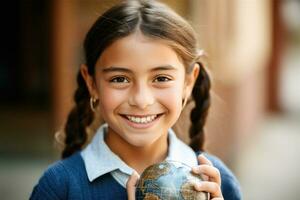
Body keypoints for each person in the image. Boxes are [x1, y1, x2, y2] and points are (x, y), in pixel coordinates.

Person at [30, 0, 242, 199]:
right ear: (92, 84)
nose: (141, 100)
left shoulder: (216, 183)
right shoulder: (59, 187)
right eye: (120, 79)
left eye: (161, 78)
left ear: (188, 83)